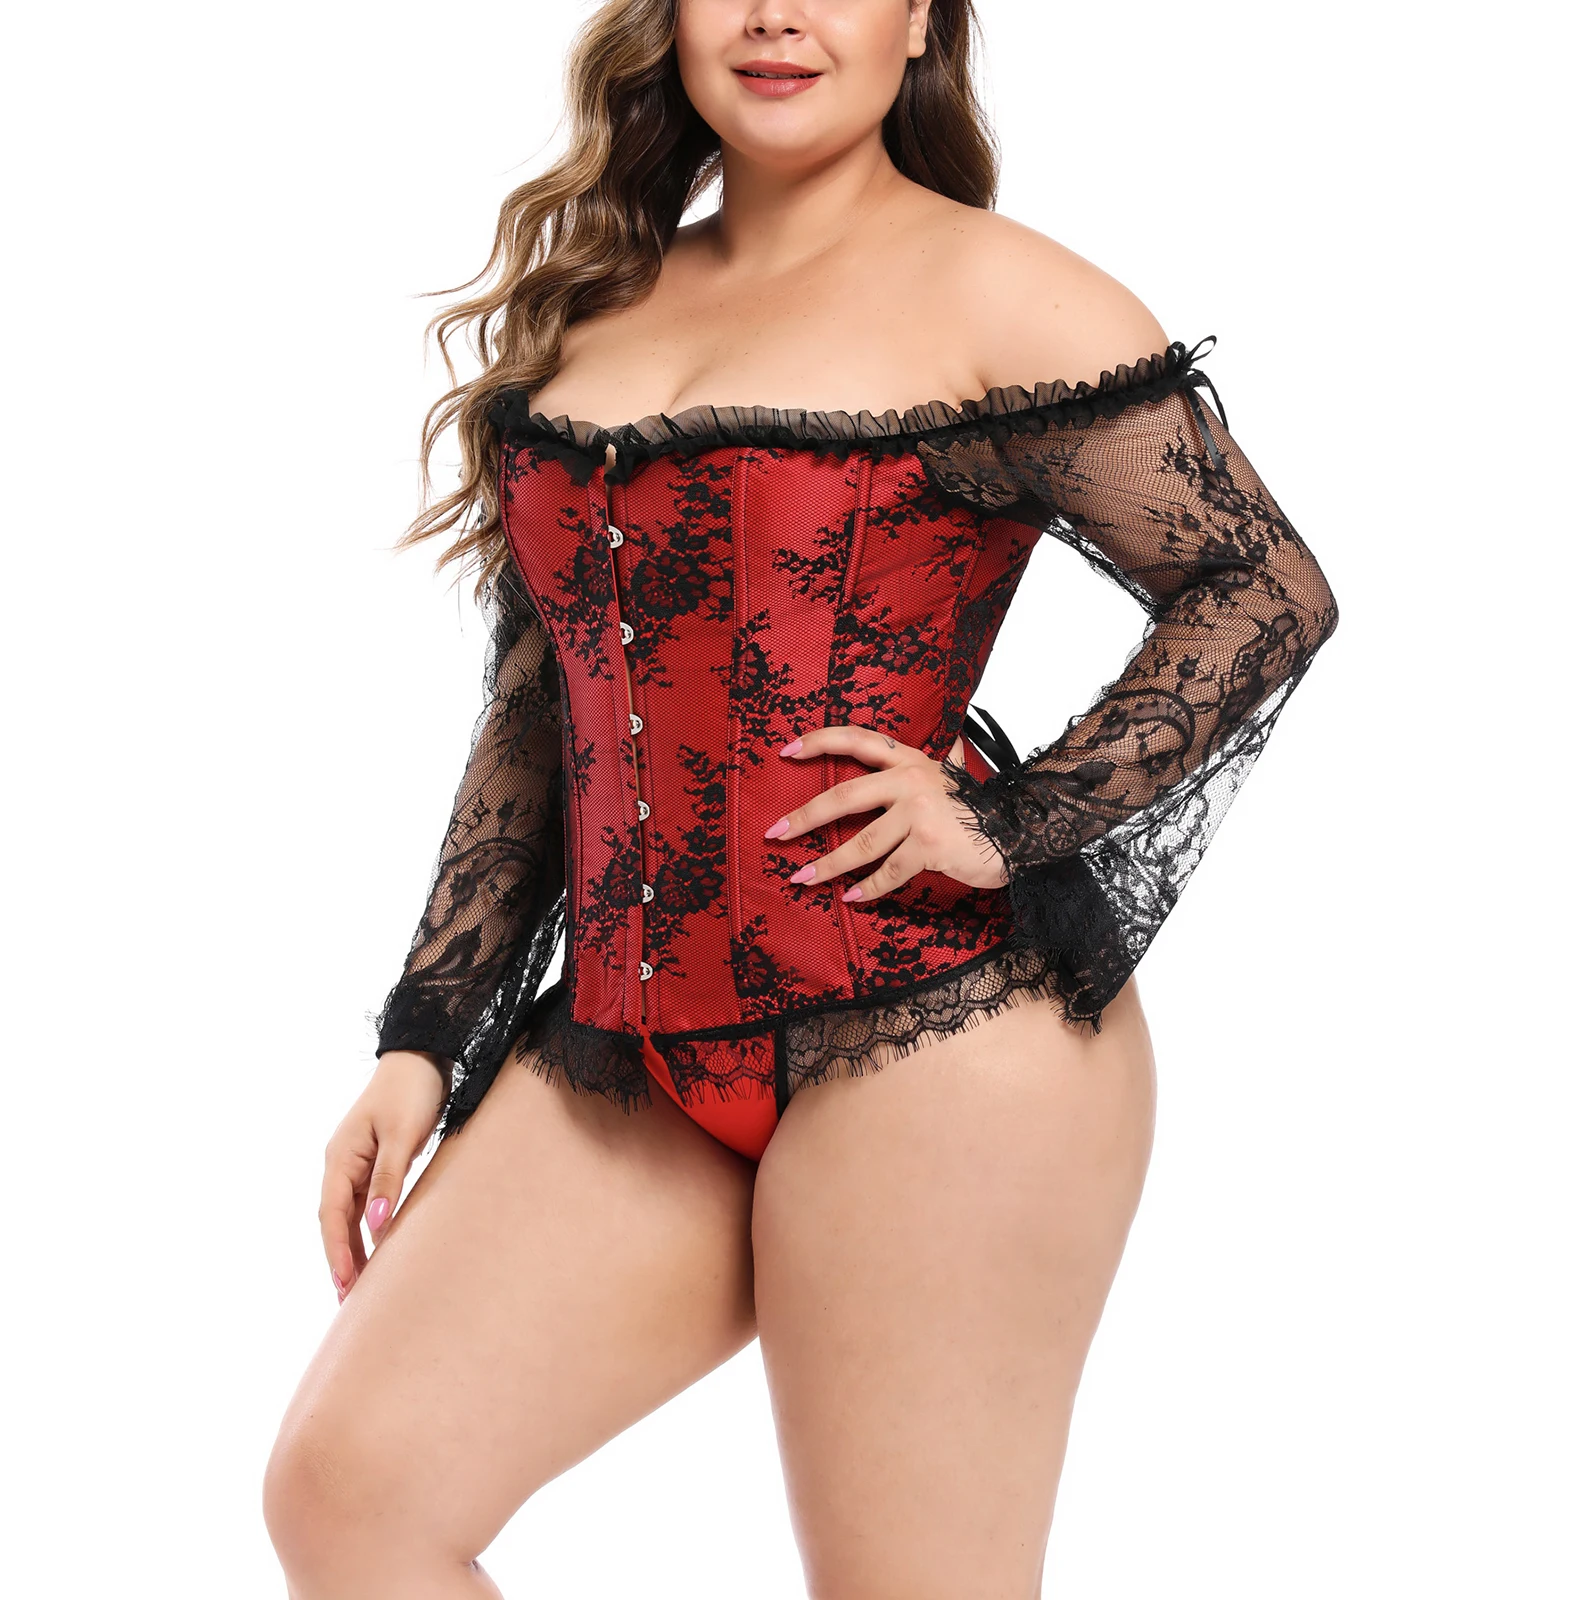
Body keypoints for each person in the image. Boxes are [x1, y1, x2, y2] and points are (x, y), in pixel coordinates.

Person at [263, 3, 1339, 1596]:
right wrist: (427, 1034)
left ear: (921, 20)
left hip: (944, 1038)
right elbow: (544, 703)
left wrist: (1008, 822)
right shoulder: (597, 298)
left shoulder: (1002, 292)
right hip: (633, 1042)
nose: (776, 12)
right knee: (349, 1498)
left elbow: (1262, 588)